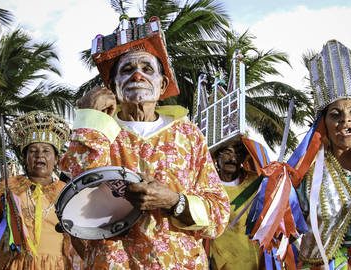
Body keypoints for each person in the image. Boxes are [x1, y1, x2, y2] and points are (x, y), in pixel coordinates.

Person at [60, 16, 230, 269]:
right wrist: (90, 120)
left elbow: (219, 213)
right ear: (112, 86)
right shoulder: (97, 130)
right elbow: (73, 198)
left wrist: (174, 201)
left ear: (162, 86)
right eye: (127, 70)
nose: (138, 75)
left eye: (147, 69)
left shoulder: (188, 135)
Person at [247, 40, 351, 269]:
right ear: (324, 125)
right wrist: (276, 188)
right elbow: (278, 228)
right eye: (335, 114)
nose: (345, 119)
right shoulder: (304, 176)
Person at [0, 111, 71, 269]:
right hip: (17, 264)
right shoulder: (9, 186)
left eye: (46, 151)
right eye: (33, 151)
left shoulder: (66, 192)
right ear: (25, 158)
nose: (39, 155)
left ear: (56, 159)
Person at [208, 139, 270, 270]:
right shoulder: (207, 185)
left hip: (257, 260)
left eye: (237, 154)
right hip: (221, 263)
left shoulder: (256, 182)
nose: (232, 158)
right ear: (217, 155)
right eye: (227, 152)